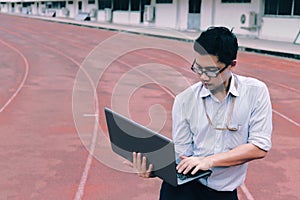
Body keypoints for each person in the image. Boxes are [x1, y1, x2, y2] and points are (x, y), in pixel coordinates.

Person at [130, 26, 273, 200]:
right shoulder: (185, 100)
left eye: (211, 71)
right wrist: (155, 170)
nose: (203, 77)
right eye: (198, 68)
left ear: (232, 65)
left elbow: (259, 147)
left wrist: (209, 161)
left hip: (224, 193)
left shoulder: (255, 92)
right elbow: (182, 156)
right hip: (182, 191)